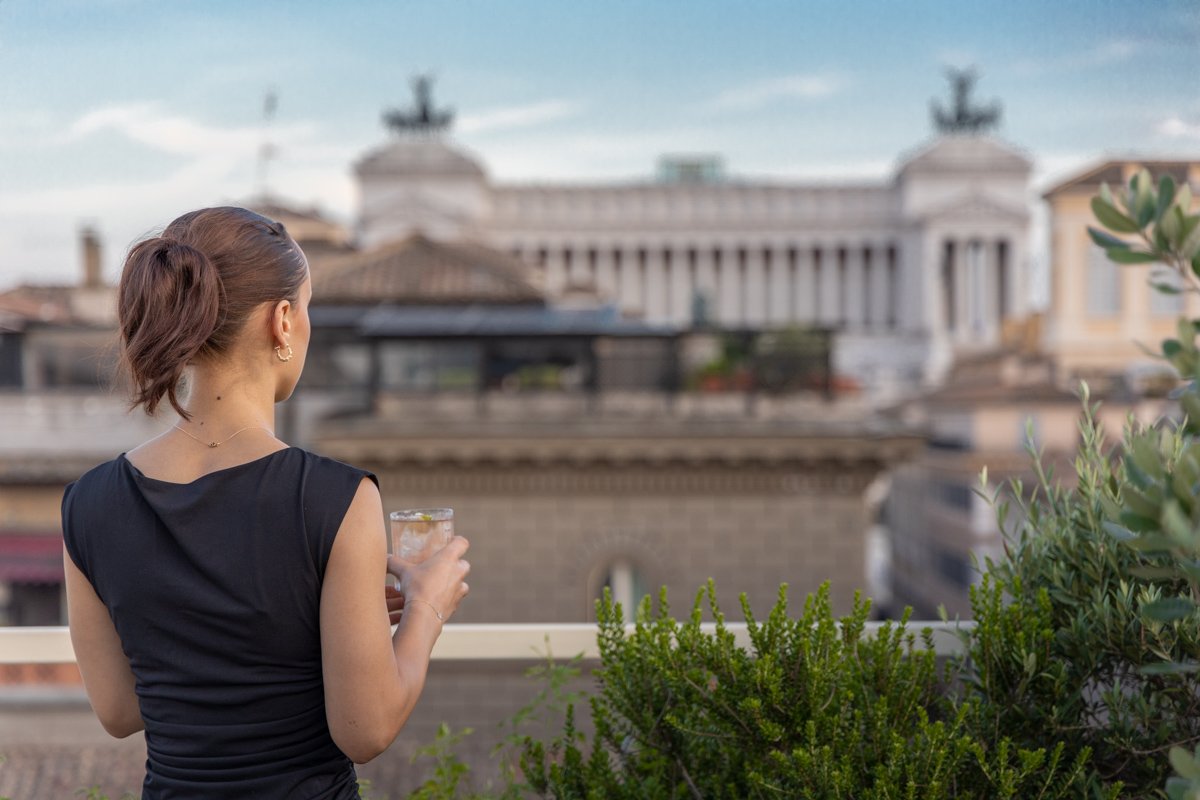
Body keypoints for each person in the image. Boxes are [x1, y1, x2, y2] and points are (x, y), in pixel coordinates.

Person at [60, 206, 471, 799]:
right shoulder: (336, 498)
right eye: (307, 308)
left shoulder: (87, 505)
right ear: (282, 321)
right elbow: (367, 729)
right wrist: (426, 607)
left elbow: (121, 711)